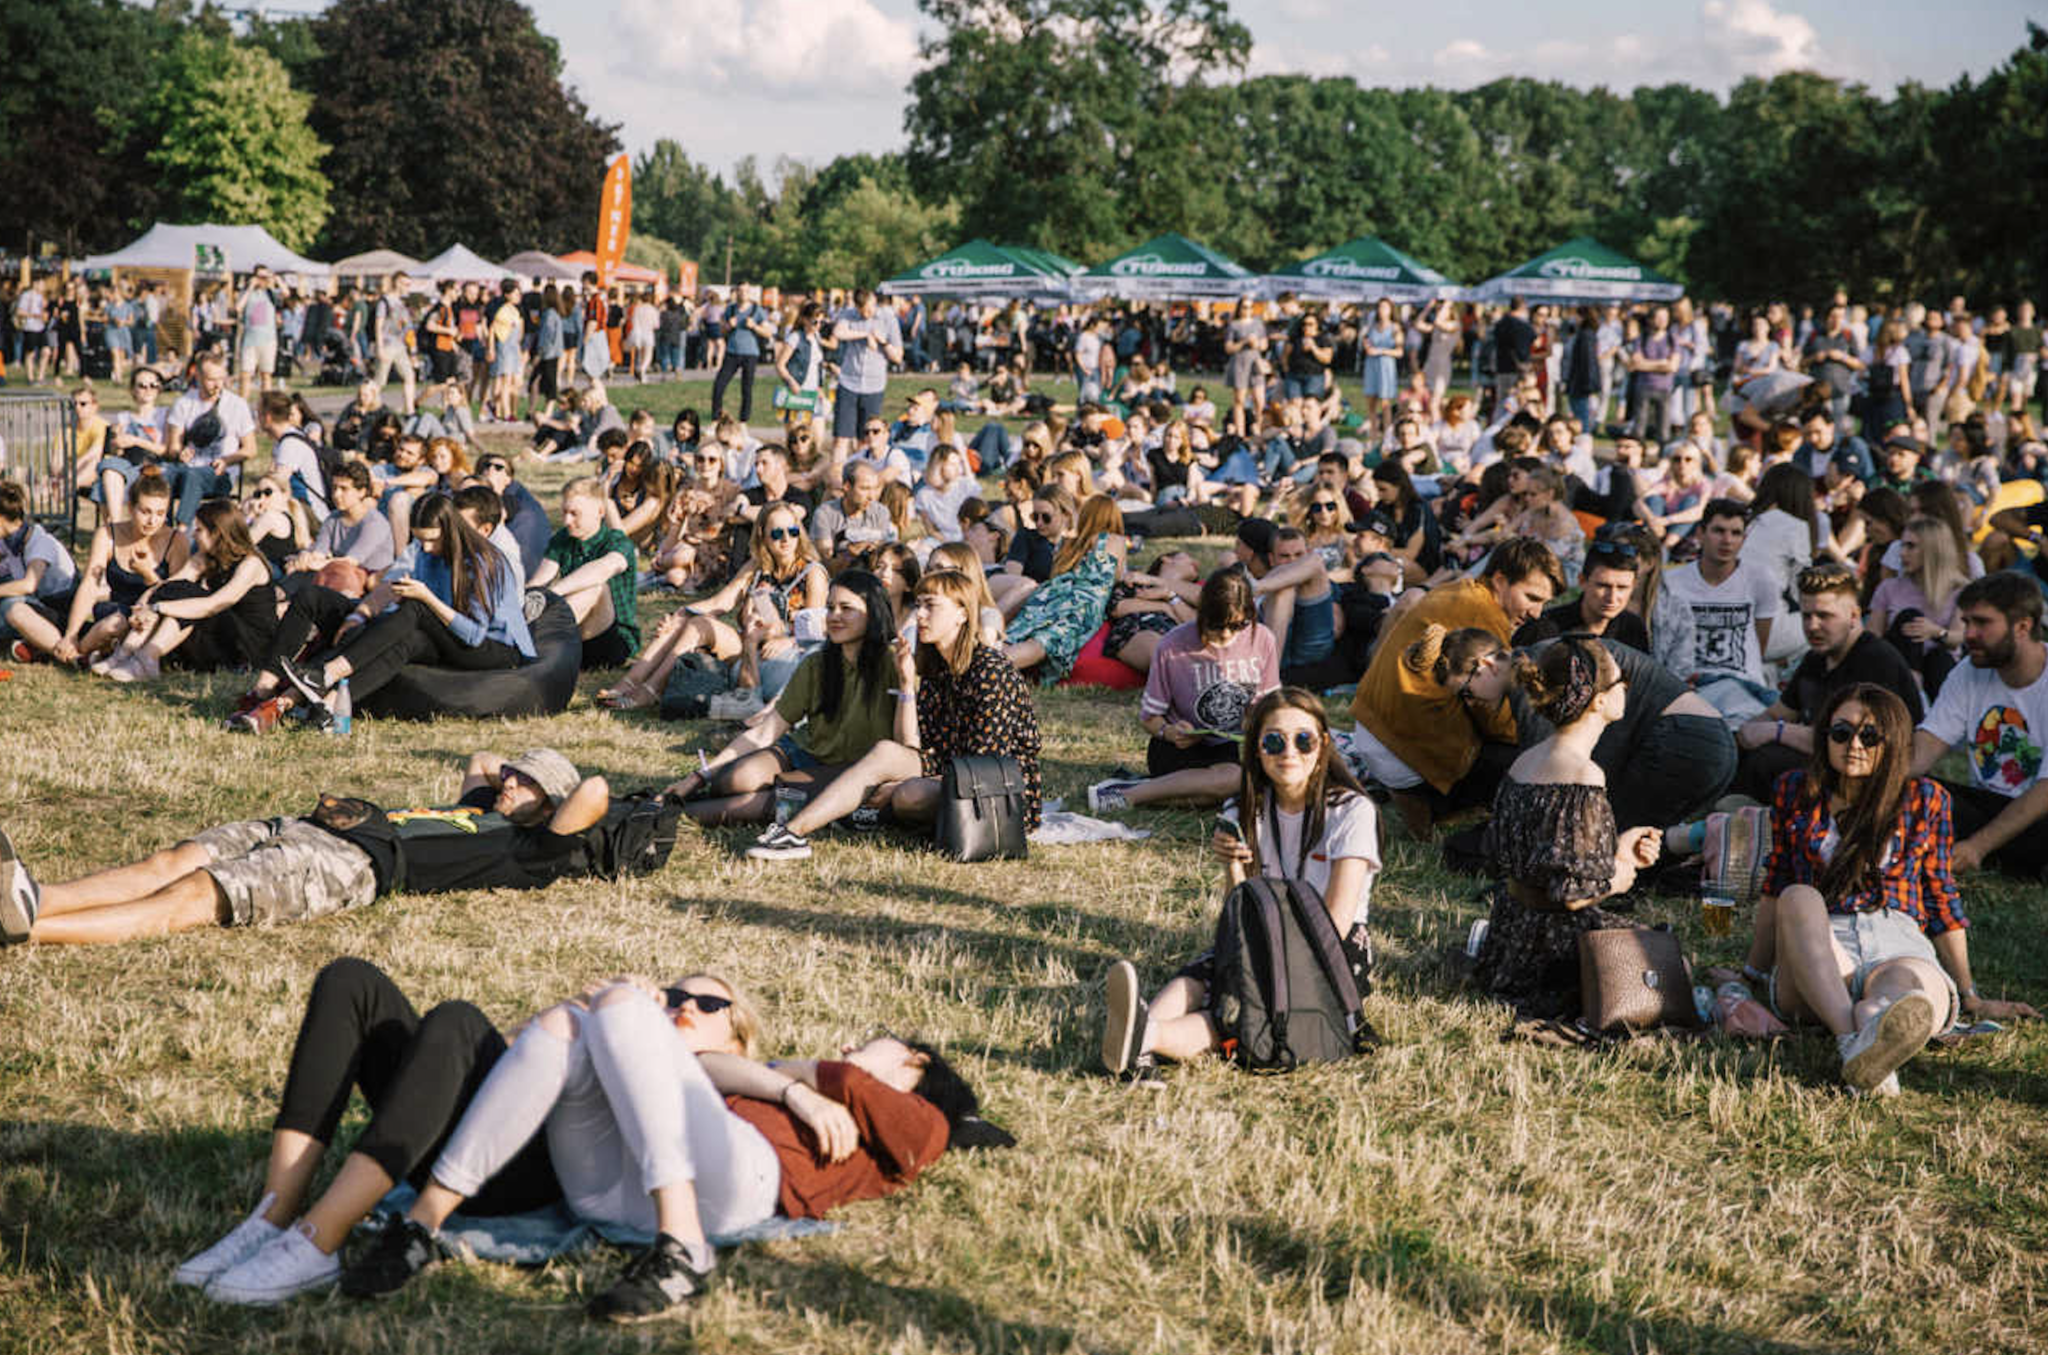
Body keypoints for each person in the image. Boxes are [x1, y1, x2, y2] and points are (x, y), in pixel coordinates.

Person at [355, 981, 998, 1322]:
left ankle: (683, 1247)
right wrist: (793, 1087)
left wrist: (813, 1082)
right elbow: (709, 1068)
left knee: (619, 1002)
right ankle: (422, 1225)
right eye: (678, 997)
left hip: (743, 1182)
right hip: (612, 1195)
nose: (852, 1046)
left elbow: (862, 1088)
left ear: (915, 1061)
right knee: (567, 1022)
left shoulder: (919, 1122)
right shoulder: (780, 1078)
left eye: (873, 1042)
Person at [165, 956, 712, 1303]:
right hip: (473, 1128)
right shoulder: (618, 1025)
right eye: (674, 993)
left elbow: (745, 1080)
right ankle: (271, 1217)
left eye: (710, 1004)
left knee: (457, 1019)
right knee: (352, 981)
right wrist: (584, 1014)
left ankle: (318, 1240)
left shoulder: (714, 1078)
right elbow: (520, 1058)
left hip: (518, 1177)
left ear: (738, 1036)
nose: (684, 1005)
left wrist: (648, 1028)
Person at [0, 749, 604, 947]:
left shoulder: (528, 851)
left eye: (527, 784)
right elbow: (481, 759)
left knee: (194, 896)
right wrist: (515, 778)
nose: (511, 783)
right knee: (170, 863)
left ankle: (31, 931)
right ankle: (35, 897)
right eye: (514, 775)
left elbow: (595, 791)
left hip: (347, 864)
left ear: (553, 807)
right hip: (314, 825)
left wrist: (549, 804)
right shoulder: (480, 808)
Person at [1756, 686, 2035, 1096]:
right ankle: (1855, 1042)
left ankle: (1874, 1028)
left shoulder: (1925, 800)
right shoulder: (1796, 791)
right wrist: (1751, 974)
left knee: (1900, 992)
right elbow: (1776, 884)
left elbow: (1940, 897)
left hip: (1897, 940)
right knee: (1798, 895)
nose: (1854, 745)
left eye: (1870, 736)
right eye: (1841, 733)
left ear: (1894, 743)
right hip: (1817, 948)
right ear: (1824, 736)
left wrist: (1970, 995)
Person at [1098, 687, 1380, 1081]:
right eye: (1274, 741)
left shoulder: (1351, 811)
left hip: (1332, 947)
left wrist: (1274, 959)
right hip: (1265, 930)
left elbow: (1337, 920)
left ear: (1323, 746)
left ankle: (1143, 1036)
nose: (1289, 752)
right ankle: (1139, 1041)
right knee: (1207, 974)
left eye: (1303, 740)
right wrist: (1233, 866)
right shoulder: (1243, 809)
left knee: (1245, 1010)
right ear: (1256, 750)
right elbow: (1242, 909)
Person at [747, 568, 1043, 861]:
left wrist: (897, 786)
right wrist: (905, 684)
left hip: (999, 793)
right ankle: (794, 832)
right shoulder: (935, 670)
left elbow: (986, 762)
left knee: (908, 794)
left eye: (931, 606)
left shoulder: (990, 670)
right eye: (919, 605)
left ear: (962, 614)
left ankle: (828, 822)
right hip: (948, 772)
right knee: (886, 753)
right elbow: (913, 745)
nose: (920, 615)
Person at [1469, 638, 1665, 1017]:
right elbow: (1572, 897)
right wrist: (1621, 875)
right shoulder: (1584, 776)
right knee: (1668, 965)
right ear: (1599, 701)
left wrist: (1618, 850)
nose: (1627, 688)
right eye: (1621, 681)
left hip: (1511, 939)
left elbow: (1529, 861)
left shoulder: (1525, 762)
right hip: (1554, 954)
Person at [1348, 538, 1562, 824]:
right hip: (1401, 752)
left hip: (1369, 728)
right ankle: (1438, 808)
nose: (1537, 613)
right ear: (1500, 580)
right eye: (1532, 598)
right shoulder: (1484, 618)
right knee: (1533, 748)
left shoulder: (1457, 589)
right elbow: (1499, 723)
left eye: (1545, 603)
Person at [270, 495, 532, 722]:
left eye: (432, 540)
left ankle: (327, 673)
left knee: (417, 606)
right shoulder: (427, 554)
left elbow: (474, 635)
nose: (426, 547)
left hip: (494, 647)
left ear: (450, 531)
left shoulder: (482, 561)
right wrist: (360, 616)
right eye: (420, 540)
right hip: (449, 635)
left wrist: (427, 598)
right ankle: (329, 705)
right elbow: (392, 592)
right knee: (408, 638)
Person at [599, 503, 826, 712]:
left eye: (792, 531)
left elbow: (814, 631)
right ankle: (629, 682)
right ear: (763, 535)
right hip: (749, 643)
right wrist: (679, 614)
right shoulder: (758, 566)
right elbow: (721, 602)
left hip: (783, 652)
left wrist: (789, 640)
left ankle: (650, 691)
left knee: (698, 623)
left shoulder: (812, 573)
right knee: (686, 621)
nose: (786, 539)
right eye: (777, 533)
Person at [1087, 568, 1278, 812]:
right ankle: (1130, 796)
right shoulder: (1172, 645)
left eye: (1238, 625)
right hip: (1177, 748)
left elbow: (1271, 706)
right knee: (1234, 785)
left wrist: (1256, 718)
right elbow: (1149, 718)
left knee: (1241, 786)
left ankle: (1137, 790)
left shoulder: (1262, 639)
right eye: (1217, 625)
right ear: (1201, 615)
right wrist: (1170, 731)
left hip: (1223, 750)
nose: (1226, 634)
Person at [1732, 562, 1924, 801]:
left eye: (1824, 616)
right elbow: (1778, 713)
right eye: (1806, 616)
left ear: (1854, 616)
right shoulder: (1816, 658)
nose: (1812, 626)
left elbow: (1853, 744)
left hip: (1867, 774)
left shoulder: (1877, 661)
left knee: (1768, 760)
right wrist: (1743, 734)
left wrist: (1776, 731)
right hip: (1828, 761)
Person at [1909, 572, 2048, 879]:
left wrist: (1977, 847)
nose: (1969, 634)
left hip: (2041, 814)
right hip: (1989, 808)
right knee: (1908, 791)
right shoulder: (1969, 670)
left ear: (2023, 626)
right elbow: (1927, 744)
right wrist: (1875, 781)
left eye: (1982, 623)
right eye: (1966, 622)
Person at [88, 498, 275, 683]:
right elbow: (169, 585)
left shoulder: (251, 563)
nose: (194, 535)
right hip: (219, 636)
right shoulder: (207, 556)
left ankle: (145, 657)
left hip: (247, 647)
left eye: (199, 530)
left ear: (217, 533)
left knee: (190, 595)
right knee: (180, 590)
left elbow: (213, 604)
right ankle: (126, 653)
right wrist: (143, 605)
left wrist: (157, 608)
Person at [1661, 499, 1783, 719]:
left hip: (1744, 685)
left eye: (1736, 533)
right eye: (1718, 531)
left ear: (1744, 539)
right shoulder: (1671, 581)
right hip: (1691, 684)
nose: (1727, 540)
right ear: (1700, 534)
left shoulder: (1761, 579)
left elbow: (1760, 641)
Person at [1004, 494, 1126, 684]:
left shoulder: (1068, 544)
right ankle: (986, 668)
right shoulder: (1114, 541)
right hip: (1083, 601)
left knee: (1016, 633)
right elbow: (1118, 578)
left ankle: (976, 660)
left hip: (1051, 593)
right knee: (1044, 642)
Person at [529, 478, 639, 670]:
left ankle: (536, 645)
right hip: (571, 635)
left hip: (613, 641)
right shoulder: (563, 538)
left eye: (575, 514)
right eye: (564, 512)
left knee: (596, 587)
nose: (567, 521)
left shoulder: (618, 542)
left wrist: (552, 593)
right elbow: (540, 580)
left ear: (600, 512)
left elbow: (603, 569)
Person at [1868, 515, 1968, 696]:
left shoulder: (1959, 590)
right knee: (1909, 617)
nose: (1902, 553)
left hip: (1938, 665)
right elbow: (1872, 637)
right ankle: (1914, 690)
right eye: (1902, 546)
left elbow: (1959, 637)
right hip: (1897, 665)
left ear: (1933, 550)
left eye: (1911, 546)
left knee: (1939, 657)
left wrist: (1935, 632)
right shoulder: (1889, 587)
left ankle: (1929, 701)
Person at [1514, 532, 1651, 652]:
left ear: (1634, 586)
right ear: (1582, 581)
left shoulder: (1633, 629)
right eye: (1603, 586)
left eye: (1622, 588)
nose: (1612, 597)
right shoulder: (1543, 629)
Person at [164, 354, 257, 525]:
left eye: (221, 378)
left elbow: (250, 449)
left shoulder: (237, 405)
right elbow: (173, 447)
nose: (217, 385)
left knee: (193, 476)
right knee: (162, 474)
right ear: (198, 376)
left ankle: (182, 530)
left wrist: (227, 460)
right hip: (188, 468)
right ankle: (163, 526)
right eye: (211, 379)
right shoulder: (183, 403)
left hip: (219, 474)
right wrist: (180, 453)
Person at [0, 479, 83, 663]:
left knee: (11, 607)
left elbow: (29, 584)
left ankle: (66, 653)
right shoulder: (9, 540)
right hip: (37, 605)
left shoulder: (40, 542)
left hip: (59, 610)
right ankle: (31, 647)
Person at [830, 289, 903, 469]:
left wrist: (882, 341)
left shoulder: (888, 318)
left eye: (869, 310)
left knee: (865, 439)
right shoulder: (849, 314)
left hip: (874, 385)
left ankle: (860, 475)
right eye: (862, 311)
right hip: (849, 382)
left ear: (874, 301)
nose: (866, 315)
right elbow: (838, 332)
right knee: (841, 438)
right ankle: (837, 477)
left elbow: (897, 357)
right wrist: (865, 334)